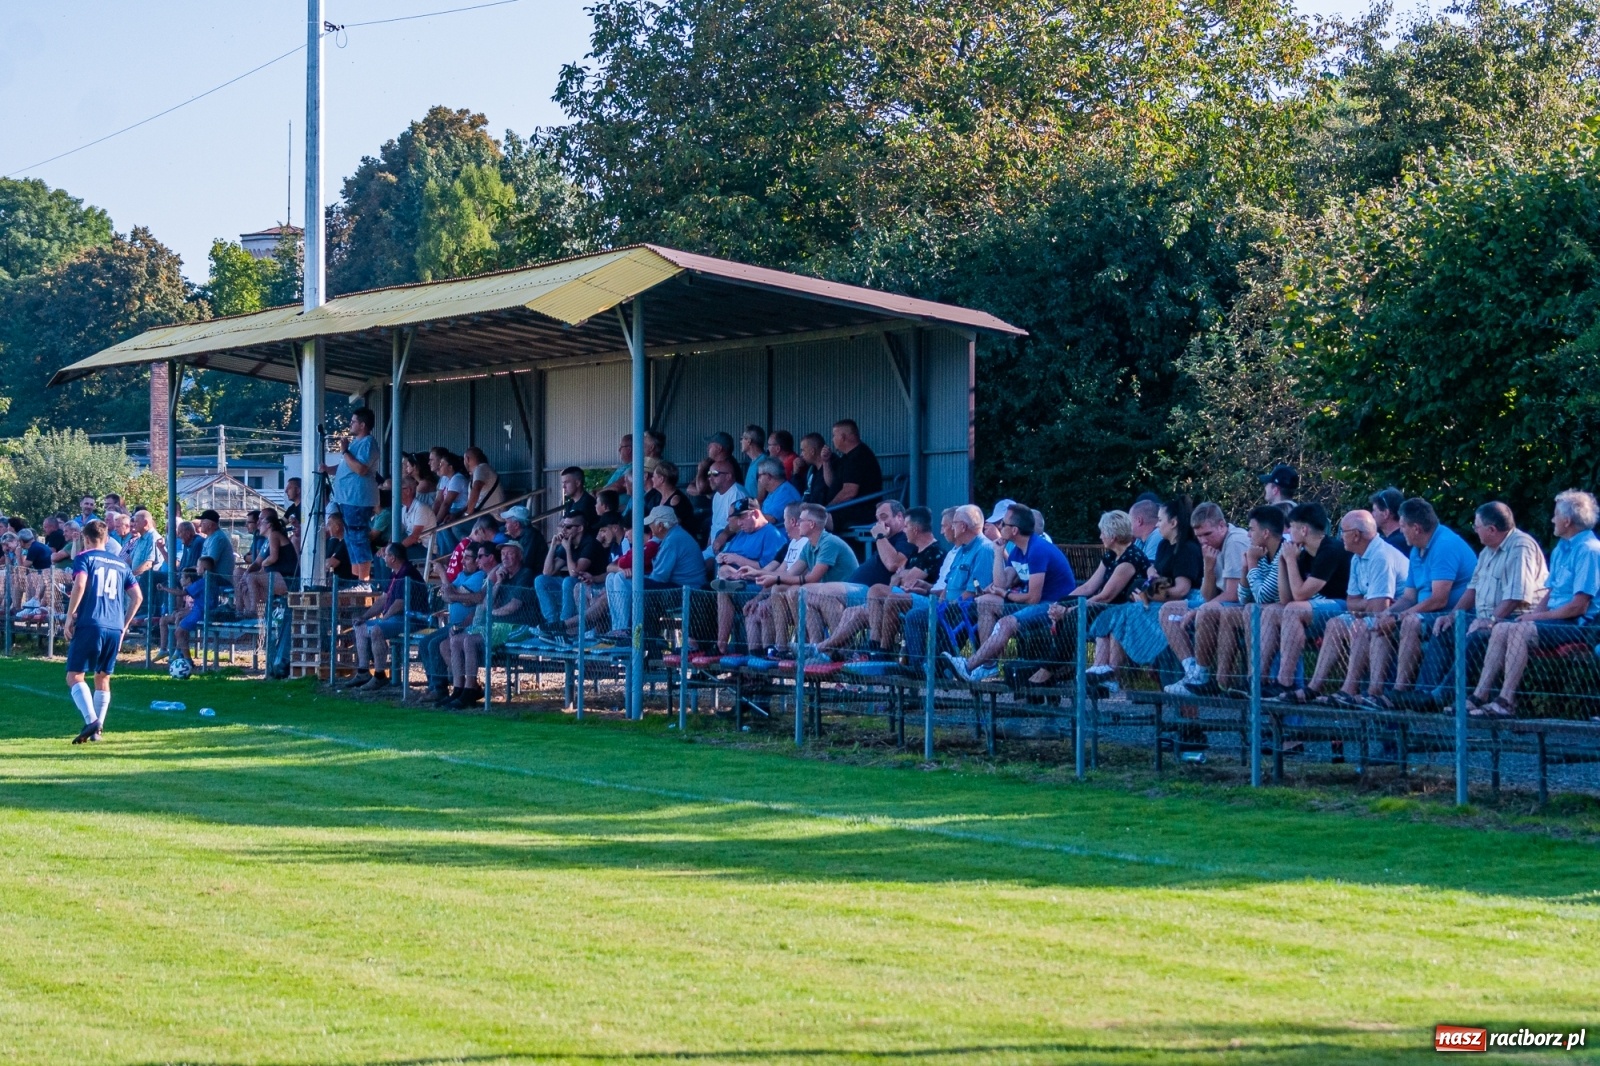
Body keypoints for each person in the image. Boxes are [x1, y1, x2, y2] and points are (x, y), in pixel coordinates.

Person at [1469, 490, 1600, 717]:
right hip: (1558, 621)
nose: (1552, 520)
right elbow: (1550, 593)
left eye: (1555, 515)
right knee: (1501, 627)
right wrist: (1530, 616)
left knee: (1520, 630)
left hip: (1581, 625)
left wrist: (1534, 618)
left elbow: (1578, 606)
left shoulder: (1589, 551)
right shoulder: (1562, 548)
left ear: (1567, 521)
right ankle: (1479, 696)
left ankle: (1506, 701)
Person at [1419, 502, 1549, 709]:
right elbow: (1472, 590)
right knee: (1443, 629)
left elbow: (1515, 596)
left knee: (1477, 638)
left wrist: (1489, 621)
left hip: (1512, 620)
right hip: (1486, 617)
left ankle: (1442, 696)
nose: (1475, 530)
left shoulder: (1521, 546)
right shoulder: (1487, 551)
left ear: (1492, 529)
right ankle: (1423, 693)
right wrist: (1452, 616)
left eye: (1476, 526)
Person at [1278, 509, 1409, 706]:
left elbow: (1379, 608)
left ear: (1356, 535)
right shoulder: (1357, 557)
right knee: (1336, 623)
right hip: (1371, 615)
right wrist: (1366, 604)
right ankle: (1313, 688)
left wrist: (1365, 605)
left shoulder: (1380, 556)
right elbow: (1351, 603)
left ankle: (1356, 690)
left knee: (1361, 626)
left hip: (1397, 619)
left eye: (1344, 531)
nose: (1340, 537)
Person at [1359, 497, 1479, 707]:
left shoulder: (1444, 545)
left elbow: (1439, 599)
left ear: (1416, 528)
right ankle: (1374, 692)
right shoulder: (1416, 549)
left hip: (1452, 616)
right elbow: (1408, 597)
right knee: (1381, 624)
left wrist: (1398, 617)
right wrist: (1388, 615)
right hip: (1426, 614)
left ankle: (1398, 692)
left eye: (1403, 526)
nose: (1401, 530)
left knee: (1410, 622)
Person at [943, 503, 1076, 682]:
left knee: (1006, 623)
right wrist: (998, 553)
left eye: (1003, 524)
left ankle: (968, 665)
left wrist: (1004, 594)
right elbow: (1001, 583)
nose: (999, 527)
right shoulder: (1018, 551)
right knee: (985, 601)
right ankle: (988, 667)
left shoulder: (1038, 550)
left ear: (1014, 530)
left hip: (1054, 606)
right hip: (1036, 604)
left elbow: (1033, 598)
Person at [1027, 510, 1147, 686]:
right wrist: (1060, 602)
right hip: (1107, 606)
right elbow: (1089, 586)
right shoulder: (1111, 555)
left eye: (1103, 532)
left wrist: (1070, 610)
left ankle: (1053, 666)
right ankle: (1062, 666)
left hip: (1120, 609)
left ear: (1113, 536)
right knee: (1063, 608)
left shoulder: (1130, 558)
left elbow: (1107, 595)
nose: (1100, 536)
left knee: (1074, 616)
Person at [1089, 496, 1202, 683]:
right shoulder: (1164, 546)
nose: (1157, 525)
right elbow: (1158, 578)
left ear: (1173, 523)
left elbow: (1182, 589)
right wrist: (1147, 589)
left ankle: (1113, 674)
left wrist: (1148, 594)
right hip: (1160, 601)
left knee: (1125, 614)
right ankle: (1107, 671)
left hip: (1183, 603)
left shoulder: (1187, 549)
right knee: (1119, 614)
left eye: (1160, 520)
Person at [818, 505, 944, 659]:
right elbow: (895, 579)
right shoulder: (916, 551)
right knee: (852, 611)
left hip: (916, 603)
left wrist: (880, 537)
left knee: (876, 589)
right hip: (895, 600)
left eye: (906, 526)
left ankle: (872, 645)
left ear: (916, 529)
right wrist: (901, 576)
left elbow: (902, 575)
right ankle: (837, 653)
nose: (904, 531)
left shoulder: (933, 551)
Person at [1257, 502, 1352, 698]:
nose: (1288, 532)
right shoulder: (1304, 552)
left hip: (1343, 606)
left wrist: (1291, 560)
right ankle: (1259, 678)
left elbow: (1300, 595)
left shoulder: (1330, 550)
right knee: (1272, 611)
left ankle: (1285, 681)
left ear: (1304, 529)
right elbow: (1285, 598)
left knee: (1293, 610)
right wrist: (1283, 562)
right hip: (1314, 608)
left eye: (1291, 527)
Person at [63, 519, 141, 744]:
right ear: (106, 539)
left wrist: (70, 616)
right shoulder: (120, 564)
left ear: (85, 539)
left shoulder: (84, 558)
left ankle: (91, 721)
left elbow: (79, 584)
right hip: (114, 626)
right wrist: (124, 625)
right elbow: (138, 597)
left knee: (75, 675)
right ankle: (97, 732)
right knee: (103, 677)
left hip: (91, 622)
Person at [1162, 501, 1250, 695]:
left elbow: (1233, 595)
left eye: (1207, 534)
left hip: (1245, 605)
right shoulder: (1210, 546)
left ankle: (1202, 676)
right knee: (1168, 611)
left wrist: (1197, 610)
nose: (1203, 541)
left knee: (1206, 610)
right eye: (1199, 536)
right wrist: (1209, 568)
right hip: (1225, 603)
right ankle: (1191, 671)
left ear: (1222, 525)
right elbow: (1208, 595)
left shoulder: (1235, 541)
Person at [446, 542, 539, 708]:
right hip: (498, 625)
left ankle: (470, 691)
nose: (505, 557)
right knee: (455, 640)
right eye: (503, 554)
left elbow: (514, 605)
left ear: (519, 556)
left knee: (469, 641)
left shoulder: (526, 574)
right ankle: (458, 689)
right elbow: (487, 604)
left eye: (509, 553)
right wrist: (498, 583)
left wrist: (493, 614)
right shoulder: (503, 577)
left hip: (519, 626)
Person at [903, 505, 996, 670]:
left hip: (965, 609)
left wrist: (949, 606)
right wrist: (940, 604)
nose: (951, 527)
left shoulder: (984, 549)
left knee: (940, 618)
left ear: (963, 526)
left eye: (954, 523)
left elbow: (975, 591)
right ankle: (917, 667)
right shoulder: (961, 550)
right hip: (948, 606)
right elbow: (948, 585)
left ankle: (935, 668)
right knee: (915, 616)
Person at [762, 503, 858, 651]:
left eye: (801, 520)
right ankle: (787, 647)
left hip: (848, 593)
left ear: (811, 524)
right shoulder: (809, 545)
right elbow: (790, 573)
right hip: (824, 591)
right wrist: (756, 573)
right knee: (779, 588)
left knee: (797, 590)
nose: (797, 523)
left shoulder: (829, 542)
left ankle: (818, 647)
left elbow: (812, 578)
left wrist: (776, 578)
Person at [343, 543, 429, 690]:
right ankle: (363, 671)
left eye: (386, 554)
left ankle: (379, 675)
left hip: (411, 619)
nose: (383, 557)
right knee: (360, 627)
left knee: (377, 629)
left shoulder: (407, 573)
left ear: (393, 558)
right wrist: (364, 617)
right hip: (395, 618)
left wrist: (384, 618)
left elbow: (400, 603)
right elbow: (383, 599)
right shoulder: (395, 574)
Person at [421, 544, 489, 703]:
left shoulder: (479, 576)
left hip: (464, 625)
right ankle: (434, 686)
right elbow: (446, 595)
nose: (462, 561)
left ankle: (441, 689)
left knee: (434, 644)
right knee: (425, 643)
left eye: (467, 557)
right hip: (453, 624)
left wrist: (444, 576)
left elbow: (450, 594)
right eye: (462, 556)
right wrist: (451, 593)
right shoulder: (461, 575)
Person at [322, 407, 379, 585]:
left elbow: (361, 469)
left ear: (362, 425)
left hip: (357, 499)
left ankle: (364, 581)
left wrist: (345, 451)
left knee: (358, 536)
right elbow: (346, 467)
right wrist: (328, 469)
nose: (350, 424)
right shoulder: (355, 443)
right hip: (346, 499)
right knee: (351, 539)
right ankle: (358, 580)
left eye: (353, 421)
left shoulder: (368, 443)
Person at [820, 419, 883, 527]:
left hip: (859, 510)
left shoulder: (859, 456)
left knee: (813, 522)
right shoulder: (846, 457)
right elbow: (832, 483)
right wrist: (826, 462)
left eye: (834, 435)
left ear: (843, 437)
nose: (832, 439)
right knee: (809, 519)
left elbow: (849, 492)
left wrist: (828, 507)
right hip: (844, 509)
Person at [702, 459, 749, 557]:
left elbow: (739, 522)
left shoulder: (737, 493)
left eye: (715, 474)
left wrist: (724, 535)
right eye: (709, 473)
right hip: (715, 546)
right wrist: (709, 547)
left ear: (728, 476)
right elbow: (715, 525)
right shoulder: (716, 496)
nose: (710, 478)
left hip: (731, 546)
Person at [397, 478, 438, 559]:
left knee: (394, 556)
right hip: (413, 546)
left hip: (425, 549)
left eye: (398, 489)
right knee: (381, 556)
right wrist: (388, 547)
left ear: (408, 491)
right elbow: (399, 530)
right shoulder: (404, 509)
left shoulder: (420, 508)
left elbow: (414, 537)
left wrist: (395, 549)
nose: (394, 493)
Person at [196, 510, 235, 588]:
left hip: (221, 578)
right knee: (186, 574)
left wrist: (196, 570)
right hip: (212, 576)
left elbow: (209, 563)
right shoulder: (210, 537)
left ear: (210, 525)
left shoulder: (218, 538)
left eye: (203, 522)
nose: (200, 525)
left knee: (189, 577)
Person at [462, 446, 506, 514]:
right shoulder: (480, 470)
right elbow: (470, 503)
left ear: (467, 459)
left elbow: (477, 488)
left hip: (491, 515)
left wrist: (468, 513)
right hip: (484, 513)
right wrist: (456, 515)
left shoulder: (481, 468)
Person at [756, 458, 801, 522]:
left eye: (759, 475)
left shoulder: (785, 493)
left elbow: (770, 519)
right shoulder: (774, 491)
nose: (758, 479)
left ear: (768, 476)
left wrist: (752, 513)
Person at [792, 432, 829, 504]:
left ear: (812, 451)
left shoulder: (829, 468)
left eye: (803, 450)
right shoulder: (811, 469)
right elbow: (797, 492)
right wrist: (796, 473)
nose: (801, 454)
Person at [1370, 487, 1407, 554]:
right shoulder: (1408, 538)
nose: (1372, 514)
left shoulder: (1391, 545)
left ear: (1386, 513)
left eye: (1374, 510)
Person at [322, 512, 355, 584]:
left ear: (337, 527)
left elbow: (331, 564)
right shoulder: (338, 543)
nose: (327, 527)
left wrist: (325, 562)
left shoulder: (345, 544)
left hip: (344, 584)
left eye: (329, 524)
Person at [738, 425, 766, 499]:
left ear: (749, 441)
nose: (741, 441)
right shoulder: (754, 462)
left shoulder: (763, 463)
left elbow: (762, 496)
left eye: (742, 438)